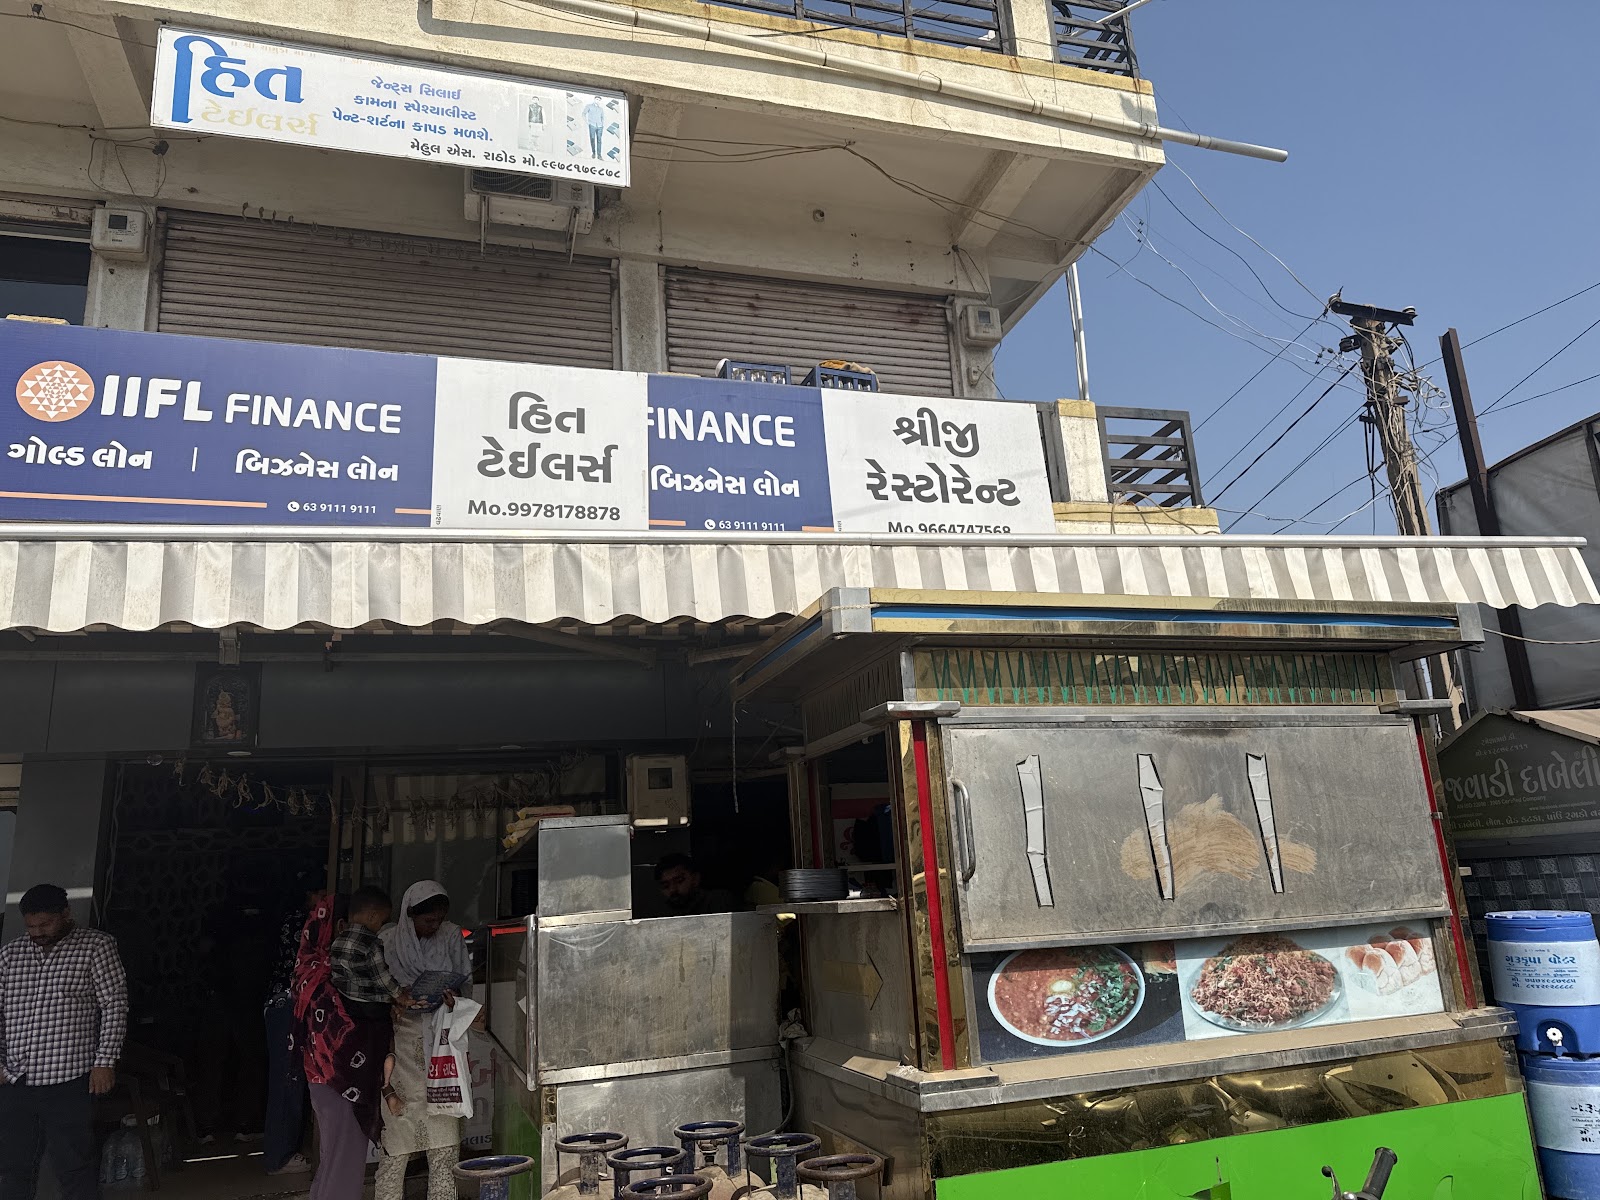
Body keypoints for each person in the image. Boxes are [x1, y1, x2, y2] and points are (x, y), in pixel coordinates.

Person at [0, 883, 128, 1200]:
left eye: (45, 924)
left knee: (74, 1166)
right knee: (13, 1166)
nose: (38, 933)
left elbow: (114, 1005)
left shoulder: (96, 947)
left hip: (69, 1080)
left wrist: (104, 1061)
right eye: (31, 926)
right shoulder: (10, 955)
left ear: (65, 914)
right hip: (17, 1079)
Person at [295, 889, 396, 1200]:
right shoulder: (334, 979)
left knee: (333, 1160)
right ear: (340, 926)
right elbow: (355, 1033)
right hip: (342, 1081)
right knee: (345, 1164)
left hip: (320, 1080)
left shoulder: (311, 972)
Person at [377, 882, 473, 1200]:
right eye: (428, 920)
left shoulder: (451, 935)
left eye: (439, 920)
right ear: (409, 916)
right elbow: (373, 992)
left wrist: (454, 997)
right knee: (396, 1145)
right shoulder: (387, 941)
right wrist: (393, 1001)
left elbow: (465, 984)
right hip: (400, 1048)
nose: (434, 926)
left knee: (444, 1147)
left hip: (441, 1048)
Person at [262, 868, 326, 1177]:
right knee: (288, 1079)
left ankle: (285, 1151)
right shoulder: (304, 924)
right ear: (311, 895)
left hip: (288, 1004)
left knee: (292, 1078)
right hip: (289, 1005)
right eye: (322, 894)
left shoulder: (295, 921)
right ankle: (279, 1156)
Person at [655, 853, 741, 915]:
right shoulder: (663, 913)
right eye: (665, 886)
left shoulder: (718, 900)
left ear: (695, 878)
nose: (673, 889)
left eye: (679, 881)